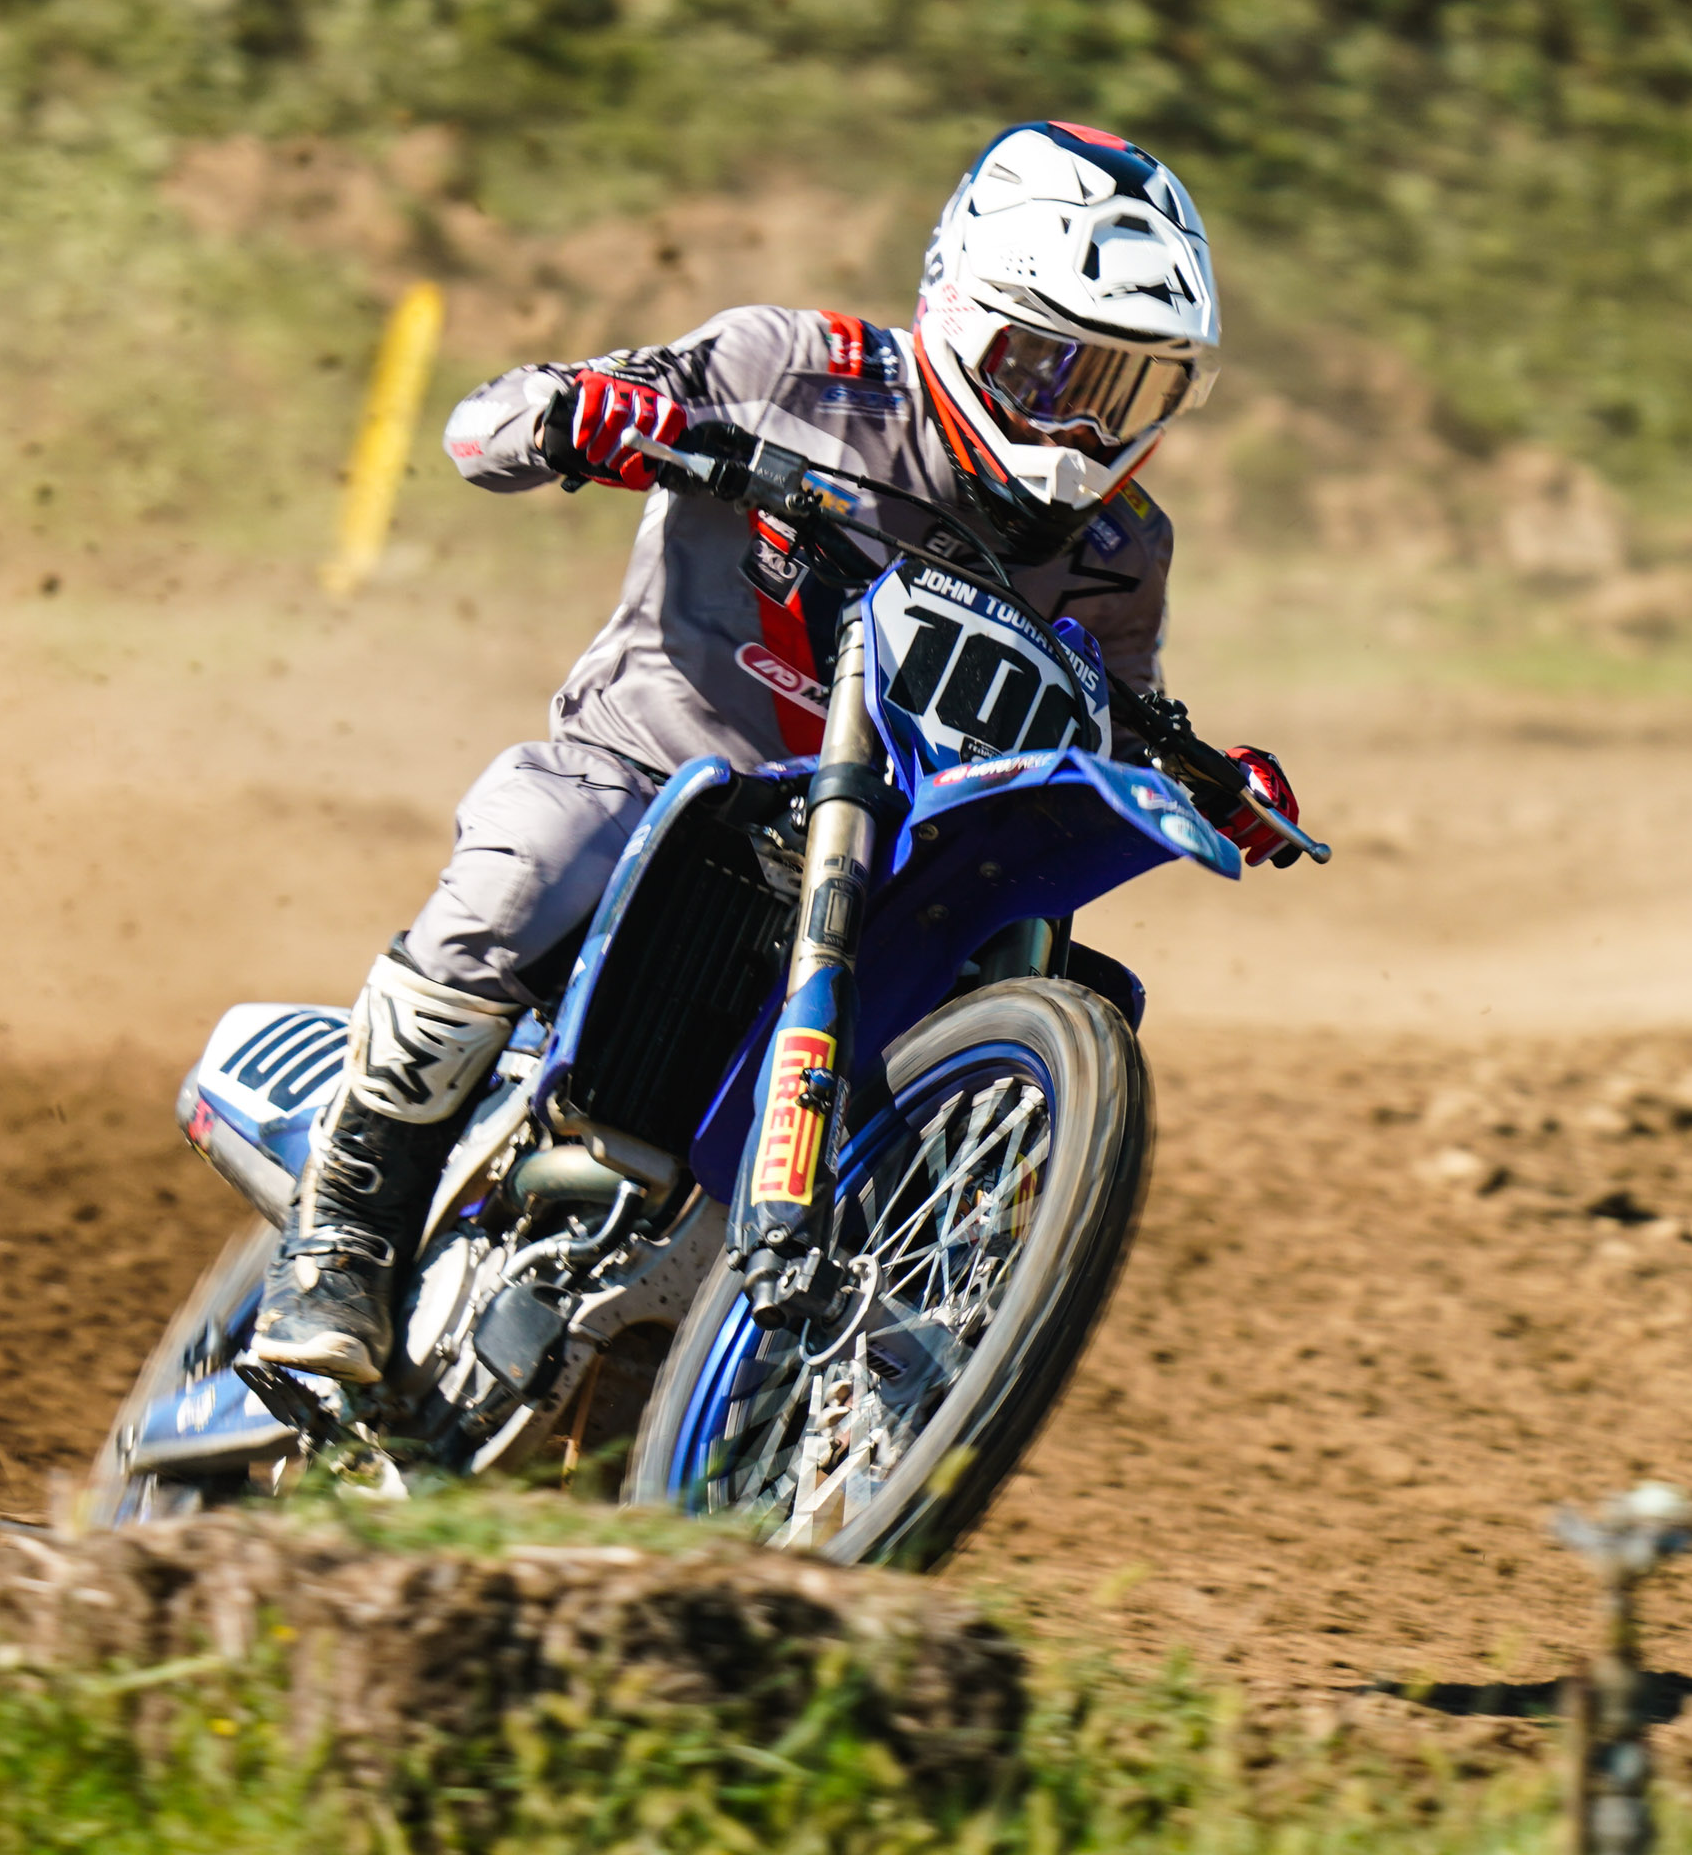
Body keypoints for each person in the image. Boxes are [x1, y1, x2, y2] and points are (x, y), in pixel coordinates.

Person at [249, 120, 1303, 1385]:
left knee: (1028, 943)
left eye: (1128, 392)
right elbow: (487, 424)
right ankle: (342, 1233)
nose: (1081, 425)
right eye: (1051, 368)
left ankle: (919, 1324)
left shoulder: (1122, 548)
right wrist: (583, 414)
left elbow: (1111, 713)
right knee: (539, 850)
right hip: (658, 773)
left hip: (887, 857)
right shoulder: (789, 366)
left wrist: (1204, 779)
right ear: (963, 310)